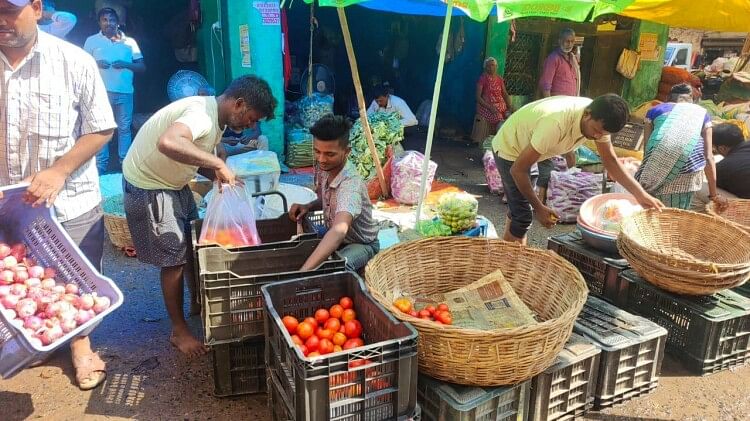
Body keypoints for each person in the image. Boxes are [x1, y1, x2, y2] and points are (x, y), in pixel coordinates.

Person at [0, 0, 116, 390]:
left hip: (69, 198)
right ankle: (34, 340)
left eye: (8, 9)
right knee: (20, 280)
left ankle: (81, 346)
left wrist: (59, 171)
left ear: (36, 7)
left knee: (75, 280)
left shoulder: (73, 60)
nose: (1, 20)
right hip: (7, 203)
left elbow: (101, 128)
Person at [122, 75, 277, 356]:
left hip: (173, 183)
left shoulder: (216, 117)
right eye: (251, 118)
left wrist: (217, 173)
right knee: (174, 260)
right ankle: (178, 331)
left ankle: (197, 301)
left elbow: (202, 152)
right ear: (239, 103)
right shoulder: (202, 115)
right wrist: (217, 163)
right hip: (150, 187)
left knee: (195, 243)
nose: (251, 126)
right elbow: (168, 142)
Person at [492, 94, 663, 244]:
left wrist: (640, 194)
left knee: (518, 209)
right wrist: (539, 208)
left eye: (602, 134)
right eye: (596, 130)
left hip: (532, 146)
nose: (597, 136)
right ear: (587, 114)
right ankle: (510, 264)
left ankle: (507, 253)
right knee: (523, 215)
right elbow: (518, 170)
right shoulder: (555, 123)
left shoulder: (598, 119)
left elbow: (610, 161)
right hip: (510, 149)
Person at [289, 115, 379, 272]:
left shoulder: (350, 184)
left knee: (333, 269)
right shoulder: (324, 167)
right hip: (333, 233)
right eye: (317, 151)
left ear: (347, 152)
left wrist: (302, 272)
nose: (322, 159)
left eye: (330, 154)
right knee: (301, 240)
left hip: (361, 244)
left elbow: (339, 231)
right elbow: (325, 197)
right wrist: (308, 206)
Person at [635, 84, 725, 210]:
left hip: (654, 169)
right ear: (692, 100)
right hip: (687, 173)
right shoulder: (702, 114)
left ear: (668, 98)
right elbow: (709, 157)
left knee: (651, 212)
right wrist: (714, 195)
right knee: (676, 214)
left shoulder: (654, 111)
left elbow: (647, 150)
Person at [84, 7, 145, 174]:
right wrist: (96, 64)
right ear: (99, 23)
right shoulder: (91, 41)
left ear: (118, 23)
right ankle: (100, 167)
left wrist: (125, 64)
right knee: (102, 127)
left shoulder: (130, 42)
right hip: (100, 93)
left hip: (125, 92)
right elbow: (82, 67)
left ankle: (125, 163)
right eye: (104, 20)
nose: (108, 23)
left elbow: (142, 67)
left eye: (111, 20)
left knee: (124, 128)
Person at [537, 28, 582, 203]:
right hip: (556, 112)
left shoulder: (572, 59)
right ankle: (541, 196)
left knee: (570, 148)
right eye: (565, 40)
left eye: (571, 41)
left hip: (570, 110)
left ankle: (571, 184)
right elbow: (545, 85)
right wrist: (549, 109)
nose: (568, 44)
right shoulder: (553, 59)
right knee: (547, 152)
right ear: (559, 40)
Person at [691, 123, 749, 209]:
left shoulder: (723, 168)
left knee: (698, 187)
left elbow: (715, 193)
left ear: (722, 148)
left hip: (746, 210)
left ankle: (706, 216)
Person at [471, 57, 512, 143]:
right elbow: (478, 97)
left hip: (500, 106)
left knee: (510, 117)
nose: (491, 68)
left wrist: (511, 106)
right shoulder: (483, 79)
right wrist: (490, 107)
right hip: (486, 107)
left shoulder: (499, 79)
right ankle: (499, 143)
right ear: (485, 67)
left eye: (493, 65)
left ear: (496, 66)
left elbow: (504, 93)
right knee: (499, 120)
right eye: (488, 66)